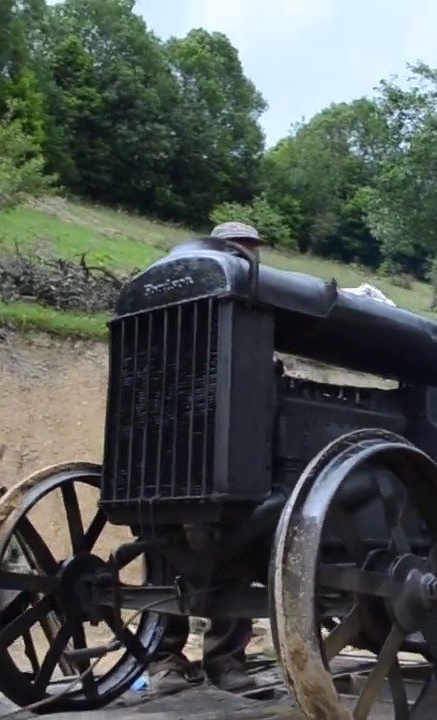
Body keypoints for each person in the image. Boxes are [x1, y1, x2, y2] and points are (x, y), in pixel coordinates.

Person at [146, 221, 264, 694]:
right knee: (163, 557)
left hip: (219, 455)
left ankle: (221, 663)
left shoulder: (254, 308)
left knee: (234, 553)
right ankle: (168, 662)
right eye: (241, 249)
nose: (247, 257)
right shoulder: (197, 306)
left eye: (251, 251)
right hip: (175, 453)